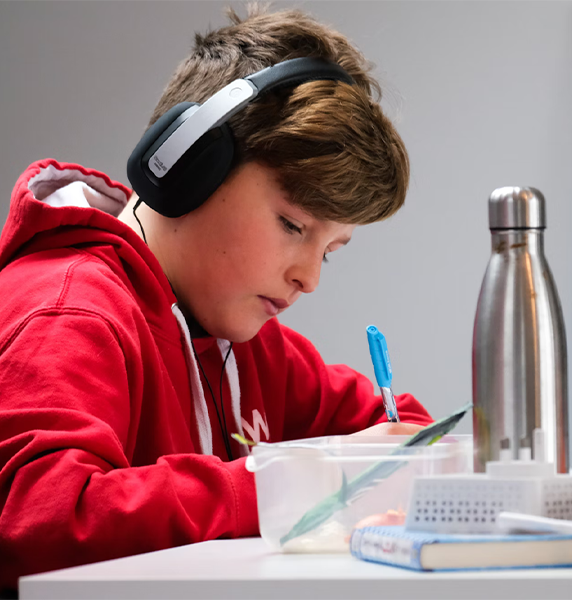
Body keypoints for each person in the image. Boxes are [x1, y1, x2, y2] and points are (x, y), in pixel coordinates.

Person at [0, 4, 431, 591]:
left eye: (330, 250)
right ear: (188, 168)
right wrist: (292, 481)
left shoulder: (248, 346)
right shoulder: (67, 312)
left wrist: (400, 456)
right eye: (292, 225)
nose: (310, 278)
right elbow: (41, 520)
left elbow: (397, 428)